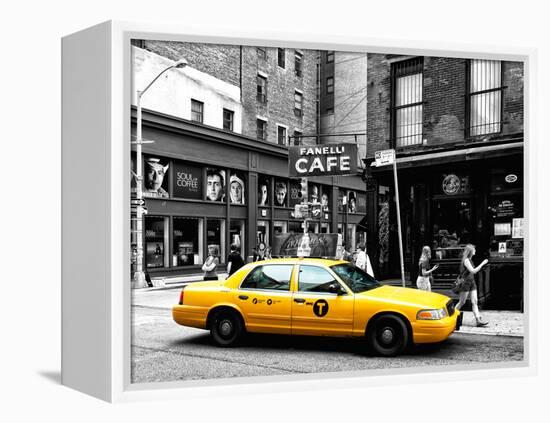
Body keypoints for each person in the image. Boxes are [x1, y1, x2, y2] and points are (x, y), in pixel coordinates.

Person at [455, 244, 489, 327]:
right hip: (466, 283)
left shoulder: (470, 259)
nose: (475, 251)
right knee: (462, 302)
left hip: (472, 282)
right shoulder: (466, 260)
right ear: (470, 251)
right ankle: (451, 316)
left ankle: (478, 320)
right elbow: (473, 271)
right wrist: (482, 264)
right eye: (474, 249)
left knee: (475, 301)